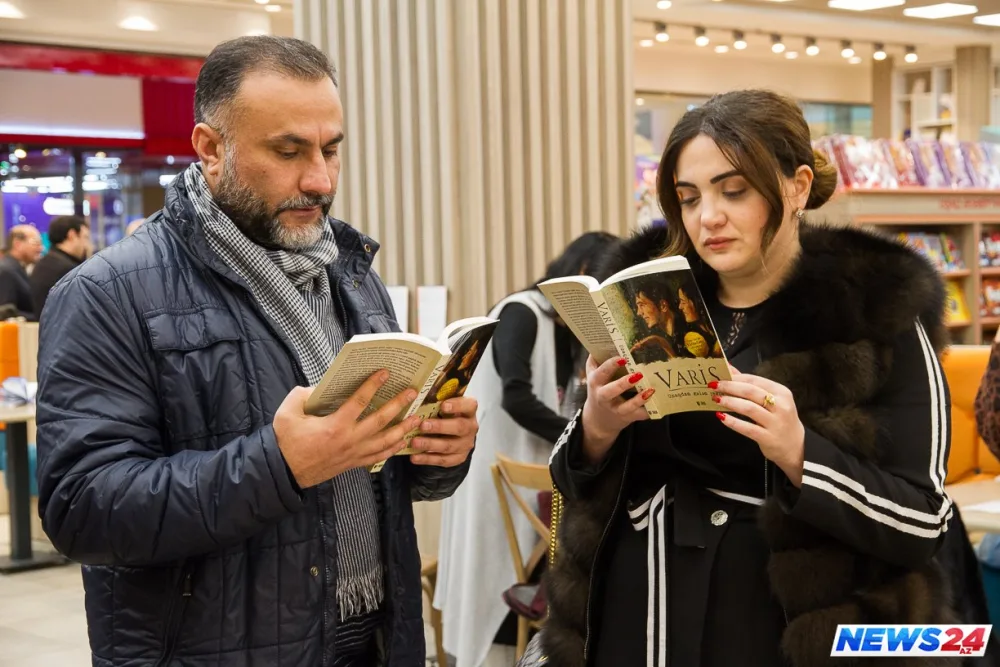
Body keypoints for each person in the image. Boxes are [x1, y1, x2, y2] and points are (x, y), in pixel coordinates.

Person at [36, 36, 477, 667]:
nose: (319, 179)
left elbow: (371, 480)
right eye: (288, 150)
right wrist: (281, 464)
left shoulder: (349, 273)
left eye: (331, 150)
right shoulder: (107, 292)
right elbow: (82, 509)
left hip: (377, 639)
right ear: (211, 149)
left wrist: (436, 452)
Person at [537, 89, 959, 667]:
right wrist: (597, 426)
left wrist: (800, 454)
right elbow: (573, 478)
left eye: (734, 191)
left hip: (778, 629)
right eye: (688, 198)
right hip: (635, 619)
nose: (708, 217)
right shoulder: (649, 301)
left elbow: (923, 521)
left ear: (797, 185)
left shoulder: (873, 316)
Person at [434, 231, 616, 667]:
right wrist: (580, 431)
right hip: (492, 463)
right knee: (491, 569)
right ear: (583, 273)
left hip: (534, 467)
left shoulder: (562, 328)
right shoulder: (522, 312)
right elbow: (515, 396)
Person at [30, 215, 92, 317]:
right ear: (72, 235)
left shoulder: (44, 263)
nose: (87, 245)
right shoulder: (67, 269)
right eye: (85, 237)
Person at [0, 224, 42, 319]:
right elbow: (6, 313)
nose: (40, 248)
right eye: (36, 243)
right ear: (17, 244)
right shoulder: (6, 271)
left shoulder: (18, 268)